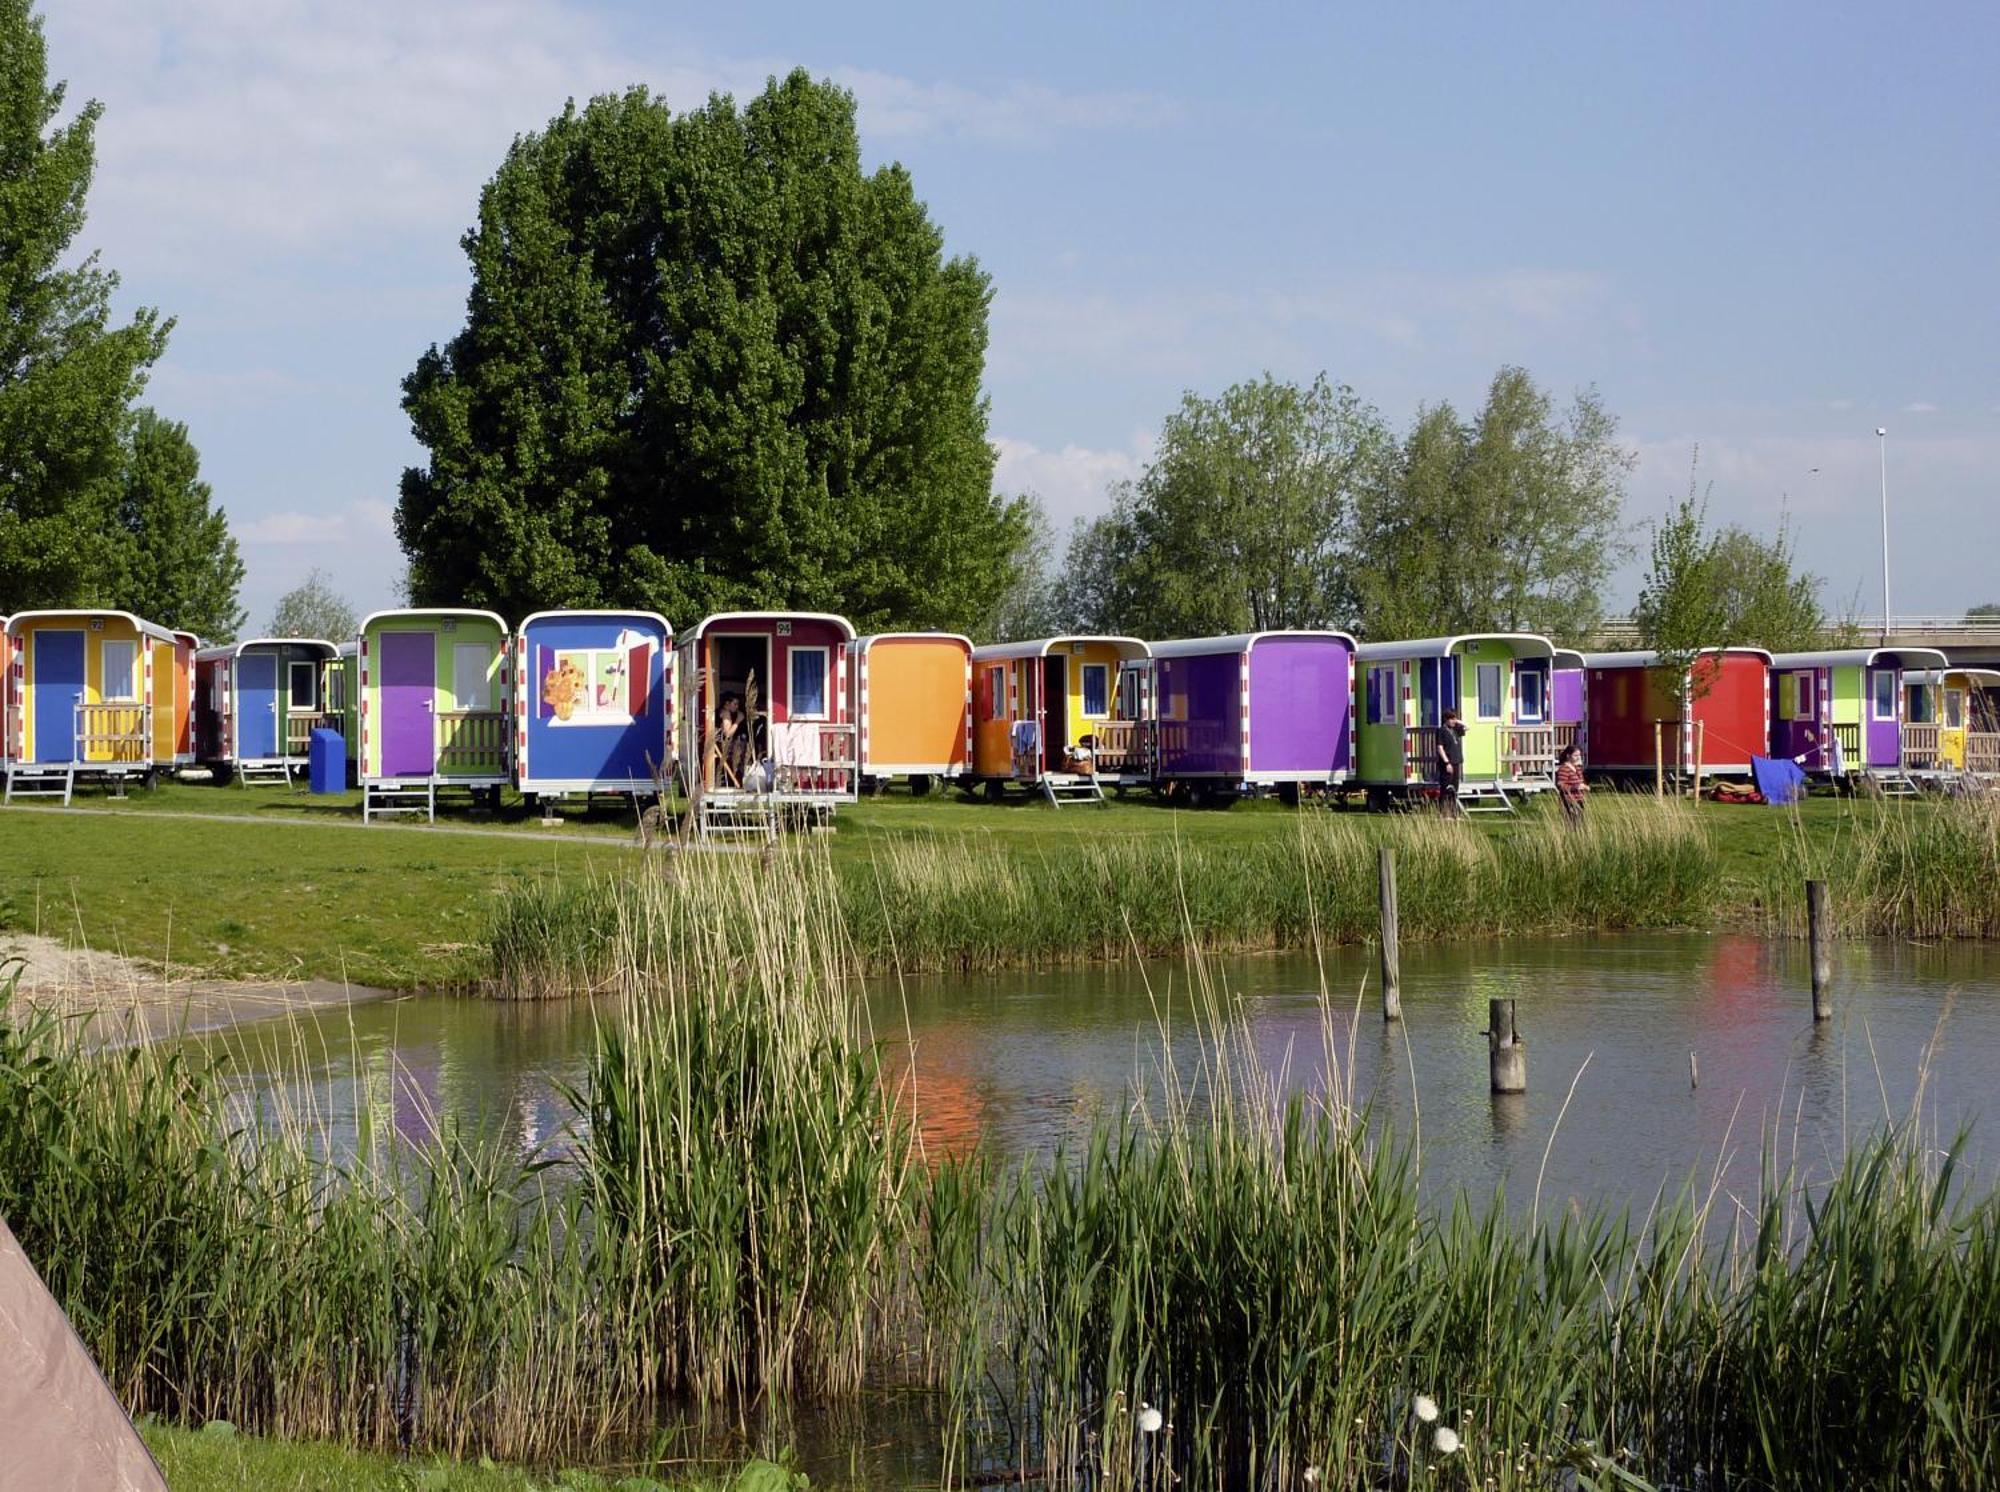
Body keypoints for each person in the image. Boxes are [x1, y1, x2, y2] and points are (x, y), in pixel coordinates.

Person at [1436, 709, 1466, 816]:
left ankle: (1454, 813)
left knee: (1454, 789)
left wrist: (1457, 721)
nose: (1454, 721)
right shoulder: (1441, 731)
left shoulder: (1455, 730)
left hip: (1456, 761)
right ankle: (1444, 813)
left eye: (1455, 718)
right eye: (1452, 719)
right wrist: (1447, 762)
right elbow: (1440, 748)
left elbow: (1467, 727)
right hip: (1447, 763)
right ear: (1446, 719)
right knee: (1446, 788)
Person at [1555, 741, 1588, 827]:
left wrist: (1584, 787)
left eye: (1579, 755)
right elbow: (1560, 785)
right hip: (1569, 801)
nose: (1578, 757)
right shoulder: (1564, 769)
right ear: (1568, 756)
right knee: (1572, 824)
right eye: (1575, 755)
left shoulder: (1577, 768)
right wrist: (1576, 787)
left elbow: (1580, 781)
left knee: (1580, 824)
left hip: (1579, 800)